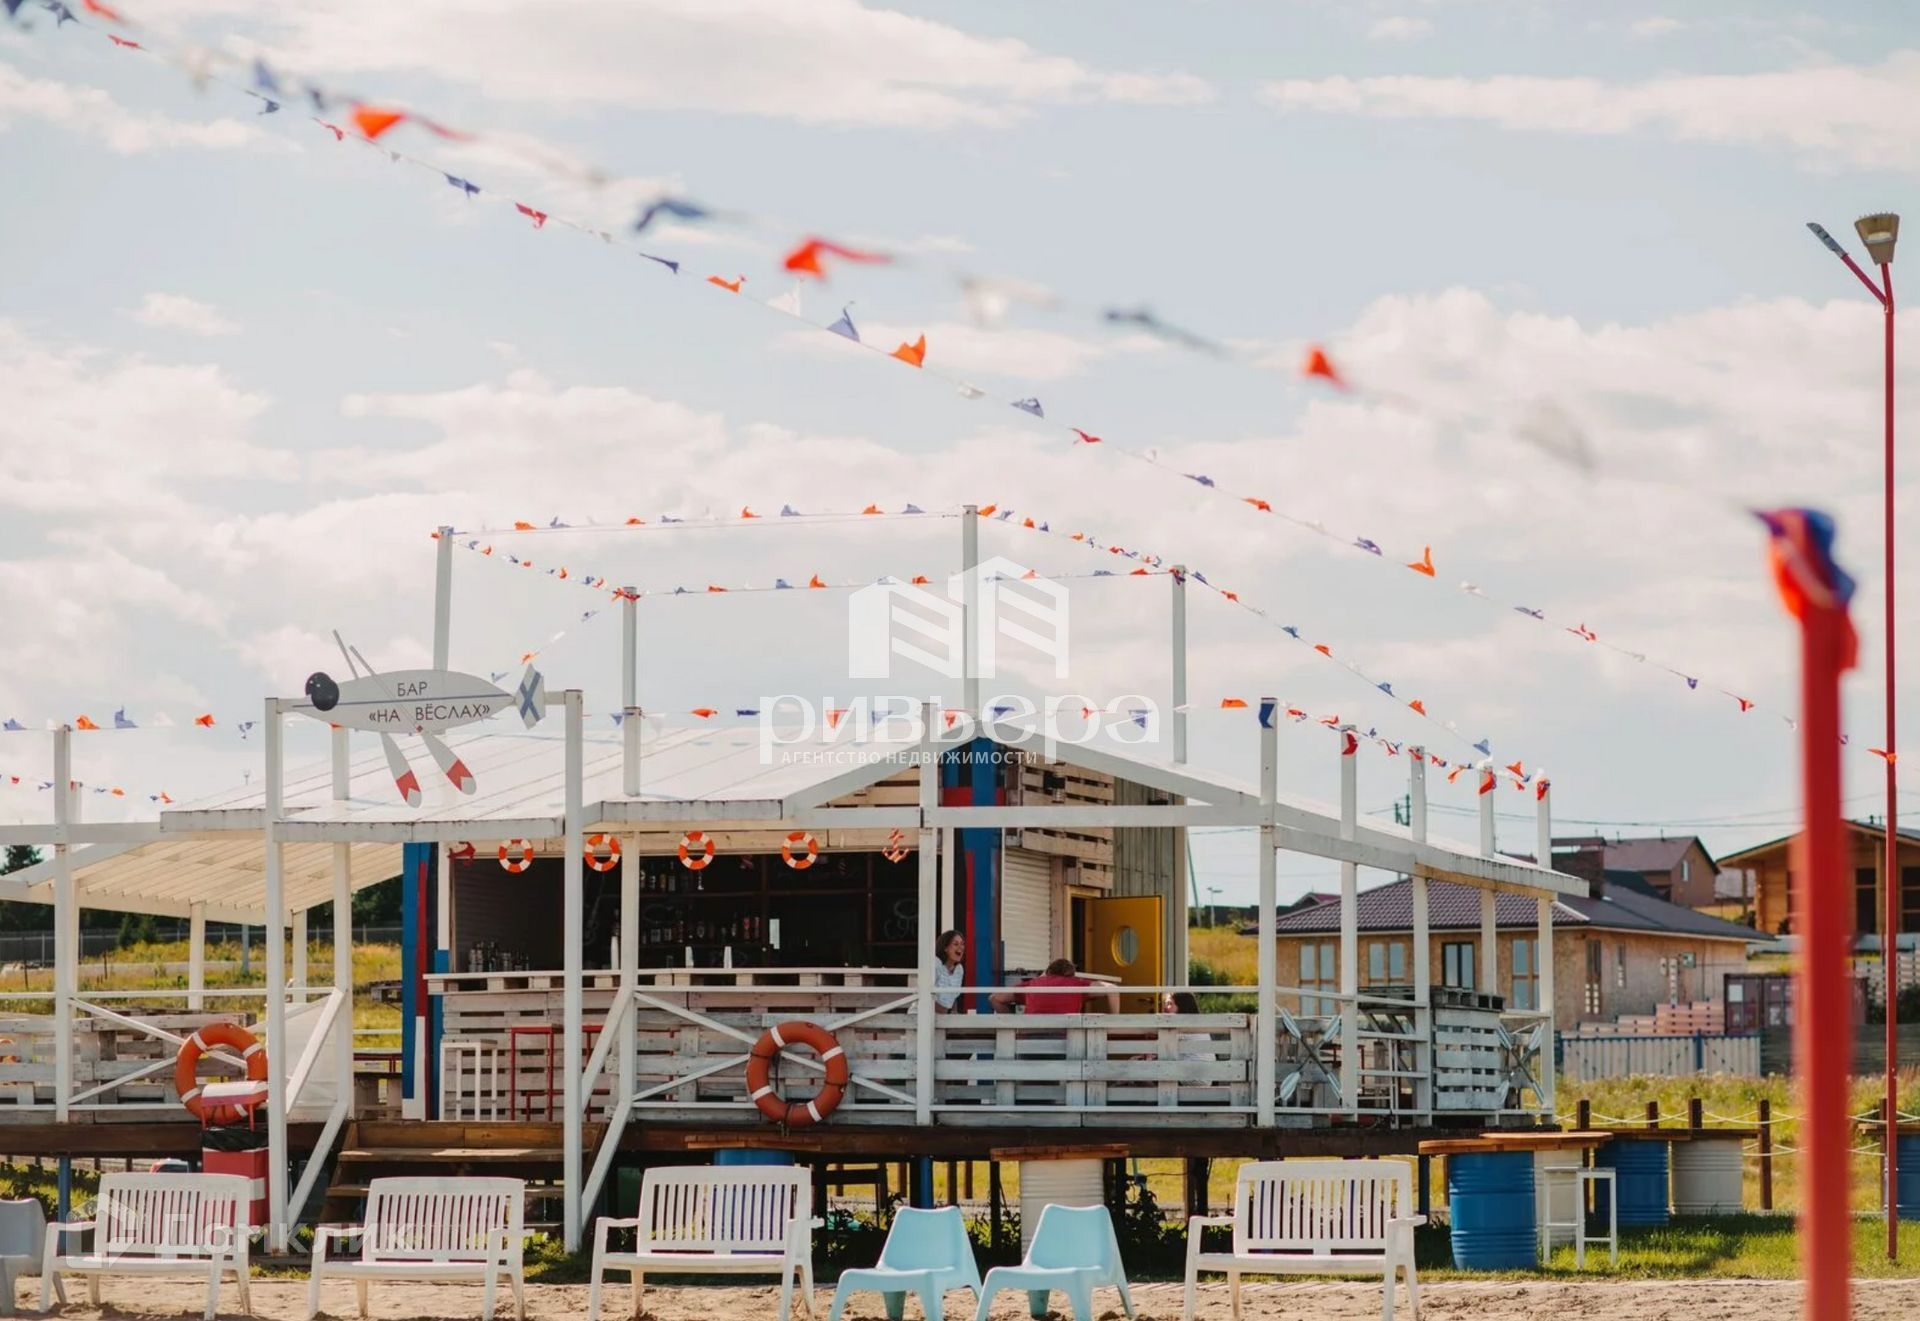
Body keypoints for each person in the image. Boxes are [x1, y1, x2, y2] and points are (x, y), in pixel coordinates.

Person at [989, 957, 1119, 1014]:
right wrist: (1114, 1021)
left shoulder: (1031, 985)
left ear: (1048, 972)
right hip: (1067, 1040)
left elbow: (994, 998)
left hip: (1030, 1040)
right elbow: (1112, 989)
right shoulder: (1076, 984)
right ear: (1071, 974)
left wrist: (1012, 1023)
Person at [933, 929, 967, 1014]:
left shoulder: (959, 969)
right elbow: (925, 994)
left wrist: (954, 1014)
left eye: (962, 944)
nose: (961, 947)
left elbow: (954, 996)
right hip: (922, 1015)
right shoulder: (935, 963)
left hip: (943, 1017)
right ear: (945, 948)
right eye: (956, 944)